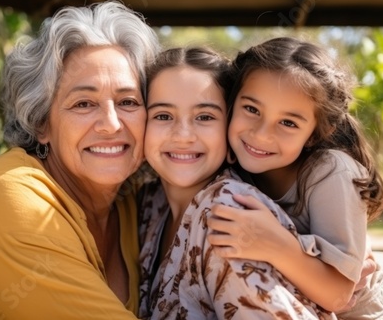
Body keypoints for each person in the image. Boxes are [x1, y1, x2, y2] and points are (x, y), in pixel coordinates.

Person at [0, 1, 160, 319]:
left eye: (128, 101)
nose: (111, 124)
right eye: (83, 103)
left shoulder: (133, 202)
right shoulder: (9, 197)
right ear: (41, 123)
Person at [206, 37, 383, 319]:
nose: (262, 134)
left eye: (288, 123)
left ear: (314, 134)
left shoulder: (331, 171)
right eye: (251, 109)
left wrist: (276, 244)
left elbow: (338, 295)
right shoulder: (227, 160)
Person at [138, 46, 335, 319]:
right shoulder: (150, 202)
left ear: (229, 125)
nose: (182, 135)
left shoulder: (229, 211)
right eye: (163, 116)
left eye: (205, 117)